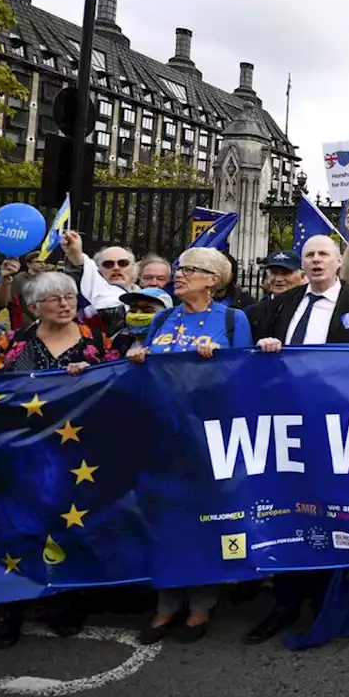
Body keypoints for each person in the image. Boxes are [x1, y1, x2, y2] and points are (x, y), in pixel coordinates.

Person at [246, 234, 349, 645]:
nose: (316, 260)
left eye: (324, 253)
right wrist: (265, 347)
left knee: (332, 512)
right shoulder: (280, 305)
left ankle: (328, 601)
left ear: (339, 260)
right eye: (310, 255)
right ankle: (286, 602)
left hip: (338, 429)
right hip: (287, 428)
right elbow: (259, 365)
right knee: (289, 510)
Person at [0, 270, 119, 647]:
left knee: (68, 526)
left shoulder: (94, 340)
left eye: (70, 297)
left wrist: (89, 375)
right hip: (22, 450)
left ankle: (61, 602)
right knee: (18, 528)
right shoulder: (13, 342)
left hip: (76, 452)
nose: (65, 304)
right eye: (55, 298)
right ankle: (11, 608)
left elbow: (116, 382)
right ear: (33, 307)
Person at [126, 246, 251, 644]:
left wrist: (220, 360)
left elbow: (245, 373)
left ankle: (201, 604)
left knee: (203, 519)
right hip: (160, 435)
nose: (177, 276)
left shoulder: (232, 320)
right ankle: (165, 605)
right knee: (164, 519)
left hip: (207, 437)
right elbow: (144, 364)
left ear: (212, 280)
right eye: (177, 269)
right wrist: (138, 354)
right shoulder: (162, 317)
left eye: (188, 270)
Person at [61, 232, 137, 337]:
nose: (116, 268)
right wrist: (76, 256)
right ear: (97, 269)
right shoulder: (90, 294)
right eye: (108, 264)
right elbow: (80, 270)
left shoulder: (145, 295)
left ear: (133, 267)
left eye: (123, 263)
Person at [246, 251, 305, 333]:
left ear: (302, 276)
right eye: (274, 273)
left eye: (286, 273)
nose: (278, 279)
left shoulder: (310, 309)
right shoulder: (252, 313)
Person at [112, 287, 173, 356]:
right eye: (133, 311)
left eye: (148, 311)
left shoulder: (176, 343)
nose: (137, 315)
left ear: (167, 314)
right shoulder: (121, 339)